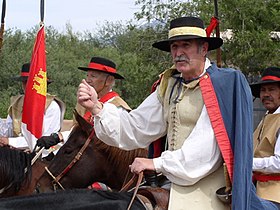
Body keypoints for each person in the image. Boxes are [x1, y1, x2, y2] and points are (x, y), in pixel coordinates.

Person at [77, 17, 278, 210]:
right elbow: (138, 126)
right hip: (173, 175)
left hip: (206, 181)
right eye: (175, 47)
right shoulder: (169, 84)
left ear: (204, 48)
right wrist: (97, 108)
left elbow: (205, 149)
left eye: (186, 45)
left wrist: (156, 163)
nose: (179, 52)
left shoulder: (221, 85)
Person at [37, 57, 131, 152]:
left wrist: (60, 137)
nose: (88, 80)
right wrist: (57, 137)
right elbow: (77, 129)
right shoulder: (84, 102)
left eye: (93, 76)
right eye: (87, 76)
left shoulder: (119, 108)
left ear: (109, 81)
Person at [0, 63, 66, 158]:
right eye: (24, 82)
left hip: (41, 156)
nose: (27, 86)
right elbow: (8, 130)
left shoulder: (52, 106)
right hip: (15, 153)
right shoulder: (16, 103)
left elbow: (43, 140)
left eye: (31, 82)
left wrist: (10, 141)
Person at [250, 67, 280, 208]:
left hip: (275, 195)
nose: (266, 94)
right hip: (259, 190)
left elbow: (279, 163)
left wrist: (247, 163)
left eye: (271, 89)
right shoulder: (268, 117)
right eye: (263, 90)